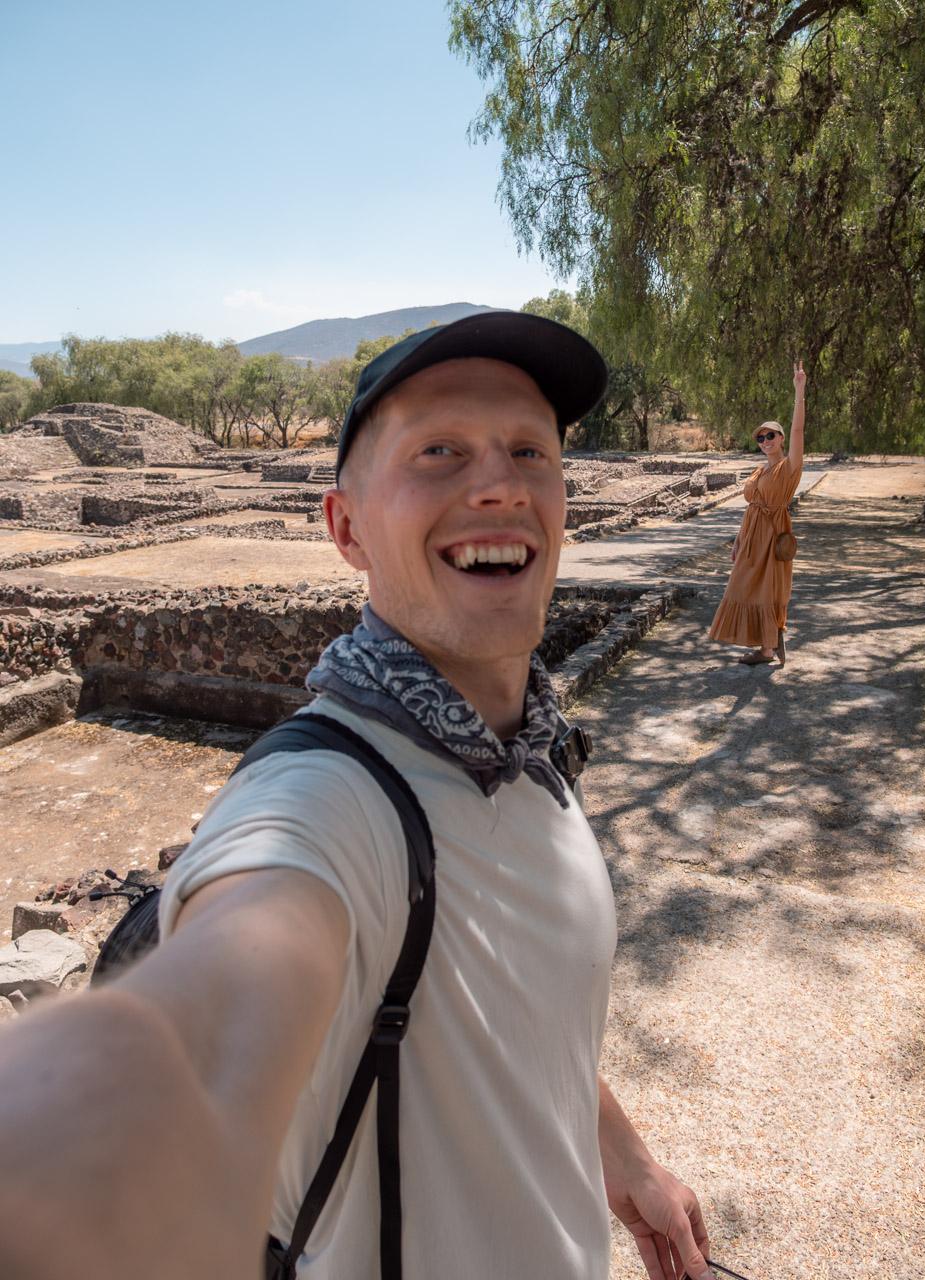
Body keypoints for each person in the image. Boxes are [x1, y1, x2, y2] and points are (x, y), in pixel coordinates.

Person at [0, 312, 717, 1280]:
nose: (499, 482)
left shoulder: (527, 753)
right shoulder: (326, 798)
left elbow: (508, 1010)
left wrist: (626, 1160)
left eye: (527, 451)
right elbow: (226, 988)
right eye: (439, 452)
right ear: (345, 527)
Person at [709, 361, 807, 665]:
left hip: (773, 535)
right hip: (752, 536)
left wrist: (799, 390)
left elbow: (798, 428)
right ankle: (769, 641)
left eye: (770, 436)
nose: (765, 442)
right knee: (742, 586)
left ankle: (767, 648)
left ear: (780, 439)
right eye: (760, 438)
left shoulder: (788, 467)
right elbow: (751, 510)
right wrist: (738, 540)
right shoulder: (758, 469)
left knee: (768, 590)